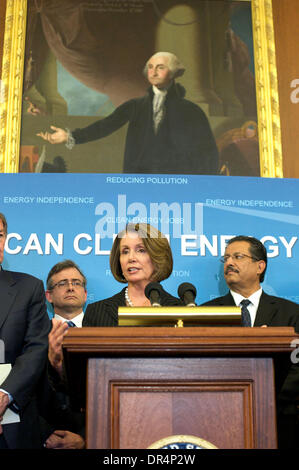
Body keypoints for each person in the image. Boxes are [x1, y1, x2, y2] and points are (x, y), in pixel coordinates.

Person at [37, 52, 219, 175]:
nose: (153, 72)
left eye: (160, 67)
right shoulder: (136, 106)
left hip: (177, 184)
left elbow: (207, 152)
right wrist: (70, 136)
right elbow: (105, 126)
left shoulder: (191, 111)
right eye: (150, 67)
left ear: (173, 73)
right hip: (139, 180)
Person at [201, 235, 299, 449]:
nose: (229, 263)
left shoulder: (291, 313)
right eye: (226, 258)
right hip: (220, 420)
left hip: (281, 422)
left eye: (238, 256)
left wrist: (265, 396)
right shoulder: (205, 314)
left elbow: (296, 368)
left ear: (259, 266)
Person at [0, 213, 50, 449]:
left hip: (13, 420)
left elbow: (36, 349)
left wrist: (5, 395)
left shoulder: (28, 288)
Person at [83, 223, 181, 327]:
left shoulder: (182, 310)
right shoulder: (96, 312)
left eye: (141, 250)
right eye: (125, 251)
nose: (131, 258)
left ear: (157, 257)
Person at [41, 260, 87, 449]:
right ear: (49, 296)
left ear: (85, 294)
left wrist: (87, 439)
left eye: (76, 283)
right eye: (62, 283)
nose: (70, 288)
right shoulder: (33, 334)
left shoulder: (103, 331)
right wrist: (44, 435)